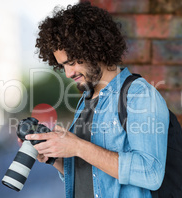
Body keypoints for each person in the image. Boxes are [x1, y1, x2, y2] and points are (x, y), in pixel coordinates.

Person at [23, 2, 169, 198]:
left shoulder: (139, 95)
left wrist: (78, 146)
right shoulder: (87, 100)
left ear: (94, 48)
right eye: (62, 65)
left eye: (72, 62)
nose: (68, 73)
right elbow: (91, 177)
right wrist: (53, 157)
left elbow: (151, 173)